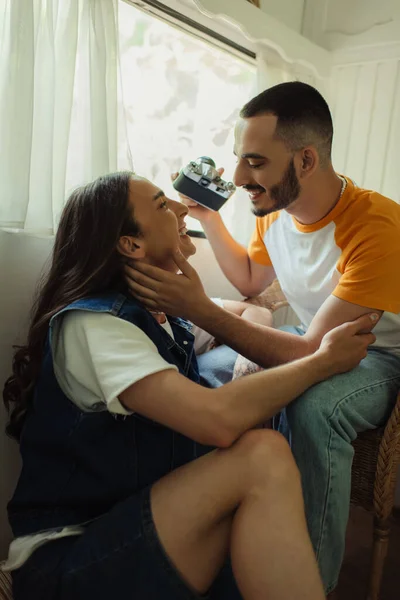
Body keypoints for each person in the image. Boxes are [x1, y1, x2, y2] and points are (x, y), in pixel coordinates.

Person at [2, 171, 376, 600]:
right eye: (163, 204)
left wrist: (203, 315)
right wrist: (322, 361)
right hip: (73, 558)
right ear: (131, 244)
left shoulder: (166, 316)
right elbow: (215, 421)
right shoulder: (95, 326)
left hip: (140, 525)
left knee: (260, 470)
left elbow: (254, 314)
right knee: (260, 455)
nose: (181, 209)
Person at [123, 82, 400, 595]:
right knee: (211, 371)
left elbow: (313, 356)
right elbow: (251, 279)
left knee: (317, 405)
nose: (237, 177)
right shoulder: (276, 210)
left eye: (254, 162)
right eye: (237, 159)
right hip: (318, 335)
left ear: (306, 160)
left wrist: (199, 308)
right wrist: (207, 217)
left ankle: (309, 580)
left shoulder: (378, 226)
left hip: (377, 353)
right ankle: (227, 535)